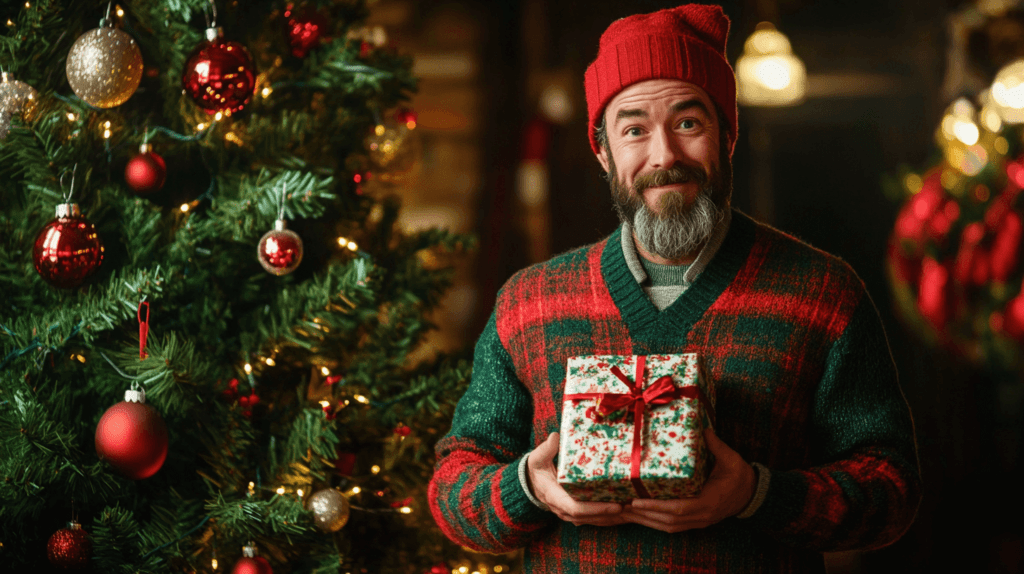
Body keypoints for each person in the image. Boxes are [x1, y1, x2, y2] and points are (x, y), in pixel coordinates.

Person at [428, 4, 921, 573]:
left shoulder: (821, 294)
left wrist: (757, 495)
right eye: (634, 129)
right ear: (603, 153)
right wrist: (528, 489)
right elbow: (452, 491)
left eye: (688, 123)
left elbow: (891, 495)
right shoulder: (529, 301)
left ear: (726, 135)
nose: (664, 156)